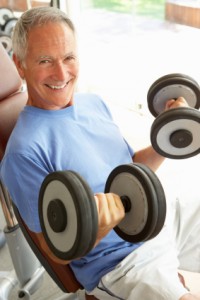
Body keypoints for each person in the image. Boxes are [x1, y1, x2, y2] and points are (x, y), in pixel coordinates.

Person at [0, 6, 199, 300]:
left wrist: (168, 137)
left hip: (159, 216)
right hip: (121, 263)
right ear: (20, 65)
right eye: (45, 61)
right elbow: (56, 252)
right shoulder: (23, 152)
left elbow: (129, 172)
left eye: (69, 57)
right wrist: (99, 229)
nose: (61, 73)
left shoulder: (94, 103)